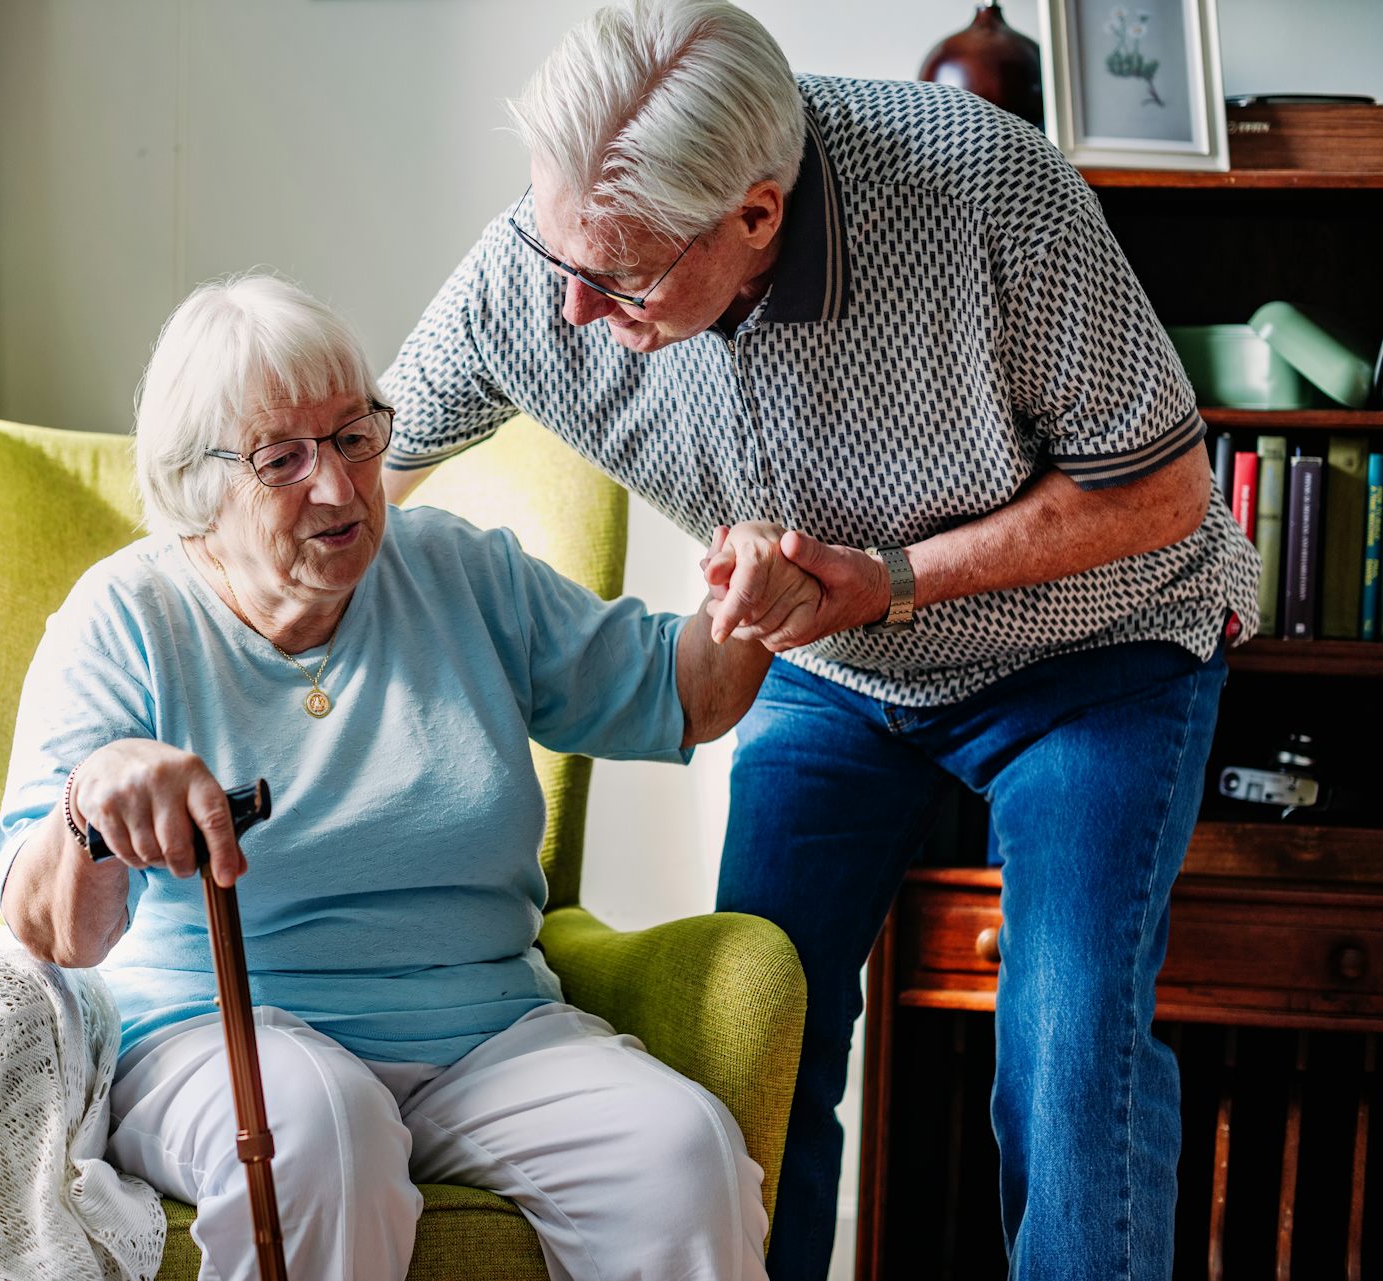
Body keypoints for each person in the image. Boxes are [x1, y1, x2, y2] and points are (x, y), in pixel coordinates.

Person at [377, 3, 1259, 1279]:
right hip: (840, 674)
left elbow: (1167, 491)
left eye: (617, 274)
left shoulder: (983, 188)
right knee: (760, 1034)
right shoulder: (553, 262)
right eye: (551, 242)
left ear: (755, 214)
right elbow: (351, 471)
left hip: (1095, 659)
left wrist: (887, 580)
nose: (567, 306)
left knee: (1068, 1051)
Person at [0, 272, 777, 1281]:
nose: (339, 487)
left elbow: (680, 692)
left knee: (679, 1155)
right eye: (283, 459)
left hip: (486, 1035)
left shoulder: (459, 573)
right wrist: (91, 803)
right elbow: (55, 932)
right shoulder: (126, 619)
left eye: (355, 437)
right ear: (198, 487)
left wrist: (748, 587)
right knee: (323, 1131)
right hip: (214, 1039)